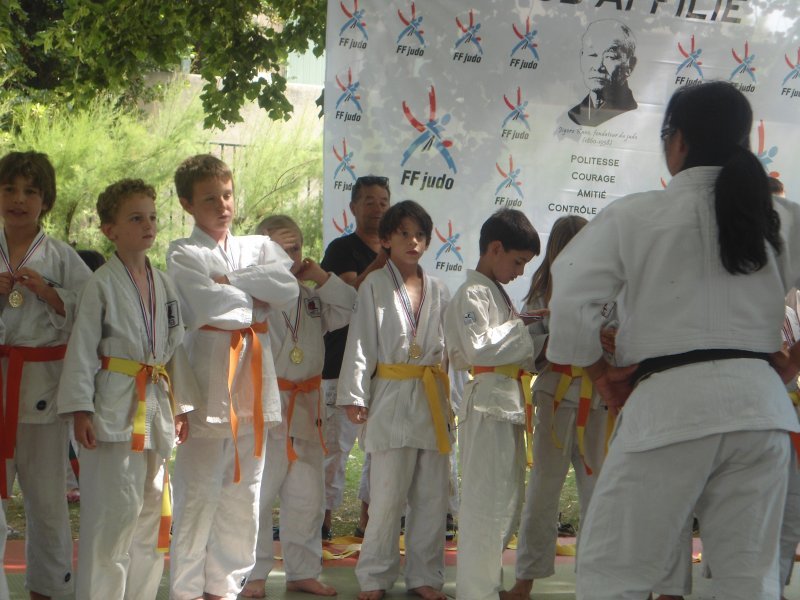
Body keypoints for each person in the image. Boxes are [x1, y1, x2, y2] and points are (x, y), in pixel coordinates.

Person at [547, 81, 800, 599]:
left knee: (613, 574)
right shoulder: (781, 218)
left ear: (678, 141)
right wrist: (793, 360)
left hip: (669, 408)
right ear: (742, 140)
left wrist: (599, 372)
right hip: (761, 412)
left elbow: (570, 297)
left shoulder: (636, 215)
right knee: (748, 581)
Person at [166, 154, 299, 600]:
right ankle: (187, 590)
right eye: (209, 199)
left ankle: (224, 587)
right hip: (208, 380)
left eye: (226, 195)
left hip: (253, 379)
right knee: (198, 492)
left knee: (245, 491)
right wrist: (253, 299)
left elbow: (287, 290)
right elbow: (208, 307)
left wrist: (231, 279)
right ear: (187, 204)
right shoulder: (184, 252)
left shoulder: (258, 246)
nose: (222, 205)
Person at [57, 178, 196, 599]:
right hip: (113, 410)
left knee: (151, 514)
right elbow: (82, 349)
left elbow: (175, 350)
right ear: (110, 230)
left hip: (155, 405)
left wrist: (180, 406)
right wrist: (81, 409)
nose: (148, 225)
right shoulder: (99, 284)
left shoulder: (164, 283)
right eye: (135, 218)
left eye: (151, 217)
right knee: (112, 518)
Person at [337, 200, 453, 600]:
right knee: (386, 497)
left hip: (432, 399)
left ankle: (425, 577)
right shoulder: (374, 285)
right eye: (404, 233)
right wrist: (355, 394)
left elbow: (451, 351)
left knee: (432, 498)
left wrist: (456, 400)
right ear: (386, 239)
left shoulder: (439, 288)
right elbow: (360, 342)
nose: (413, 241)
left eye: (420, 235)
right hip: (390, 394)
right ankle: (374, 577)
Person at [241, 215, 356, 598]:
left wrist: (321, 277)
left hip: (307, 404)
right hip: (268, 404)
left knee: (307, 495)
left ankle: (302, 571)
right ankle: (253, 574)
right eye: (277, 249)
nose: (288, 257)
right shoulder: (253, 297)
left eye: (294, 249)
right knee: (259, 493)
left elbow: (351, 307)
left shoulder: (312, 298)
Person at [0, 151, 92, 600]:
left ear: (46, 200)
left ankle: (49, 589)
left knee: (48, 498)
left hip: (44, 387)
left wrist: (51, 293)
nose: (19, 199)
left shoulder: (62, 257)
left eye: (31, 191)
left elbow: (91, 311)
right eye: (10, 189)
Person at [510, 215, 614, 598]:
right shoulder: (542, 293)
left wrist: (610, 339)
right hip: (555, 397)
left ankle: (596, 580)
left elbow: (622, 341)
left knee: (598, 492)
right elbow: (527, 348)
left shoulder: (609, 291)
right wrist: (561, 333)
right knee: (542, 491)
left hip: (596, 400)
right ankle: (525, 578)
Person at [444, 208, 542, 600]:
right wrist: (524, 328)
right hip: (486, 404)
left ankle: (487, 586)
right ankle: (476, 592)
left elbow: (512, 345)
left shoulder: (494, 292)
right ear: (495, 248)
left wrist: (530, 326)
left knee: (505, 501)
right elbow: (478, 347)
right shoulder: (471, 293)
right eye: (518, 261)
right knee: (485, 502)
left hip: (506, 401)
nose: (520, 271)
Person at [321, 174, 391, 539]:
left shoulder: (398, 256)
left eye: (383, 202)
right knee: (335, 449)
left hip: (384, 367)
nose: (377, 208)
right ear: (353, 207)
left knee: (380, 449)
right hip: (340, 364)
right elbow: (350, 297)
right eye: (369, 201)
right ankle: (321, 523)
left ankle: (370, 521)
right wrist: (379, 262)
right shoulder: (341, 249)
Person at [568, 19, 638, 127]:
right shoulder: (575, 114)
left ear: (630, 66)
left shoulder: (631, 114)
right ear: (581, 57)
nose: (598, 67)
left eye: (610, 56)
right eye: (592, 54)